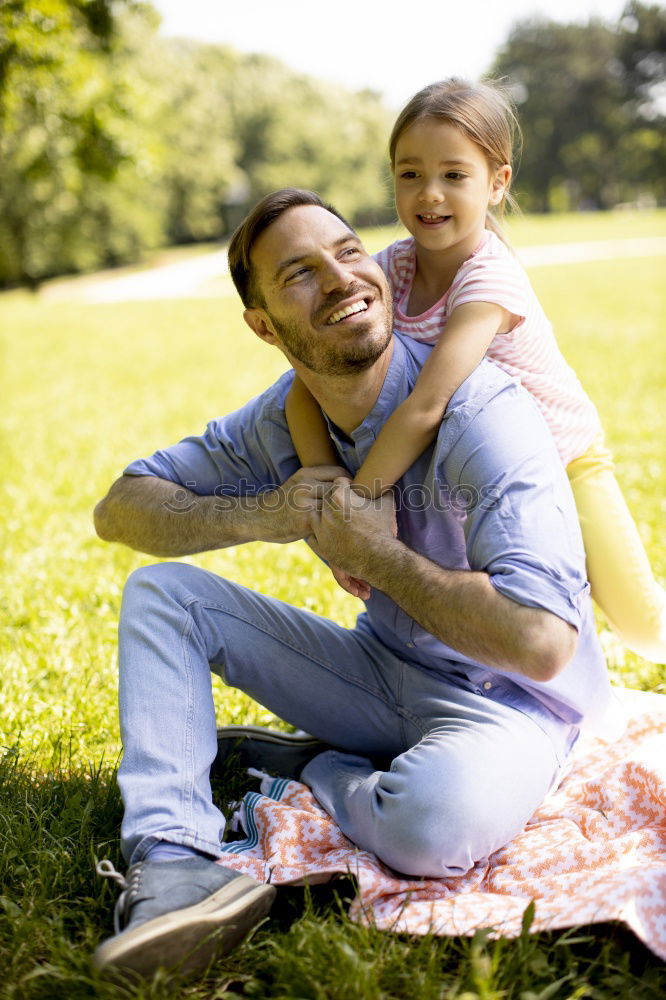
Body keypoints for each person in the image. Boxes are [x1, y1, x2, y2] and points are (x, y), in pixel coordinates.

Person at [92, 187, 623, 978]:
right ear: (264, 326)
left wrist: (375, 557)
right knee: (163, 594)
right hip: (381, 672)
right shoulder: (281, 418)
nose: (343, 279)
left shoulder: (481, 411)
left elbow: (541, 644)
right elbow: (120, 509)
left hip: (510, 701)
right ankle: (174, 860)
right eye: (301, 273)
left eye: (349, 252)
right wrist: (273, 511)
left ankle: (319, 768)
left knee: (431, 826)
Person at [285, 78, 666, 662]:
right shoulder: (391, 268)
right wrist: (332, 493)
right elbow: (304, 387)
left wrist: (360, 504)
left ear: (497, 183)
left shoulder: (489, 280)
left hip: (565, 463)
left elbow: (428, 404)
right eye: (410, 174)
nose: (429, 193)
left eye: (454, 176)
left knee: (644, 627)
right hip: (479, 477)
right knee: (507, 619)